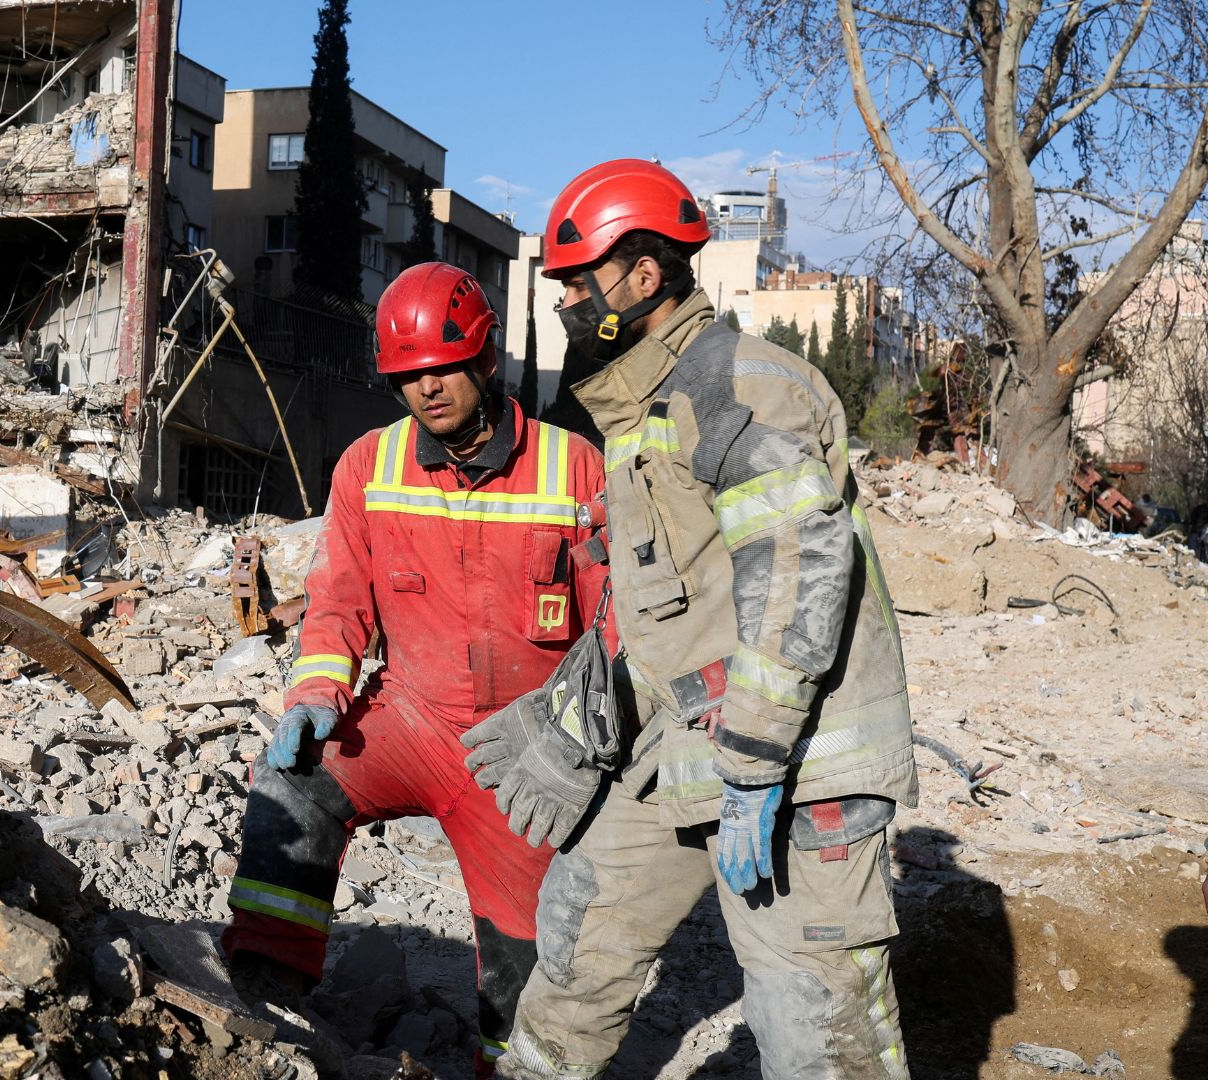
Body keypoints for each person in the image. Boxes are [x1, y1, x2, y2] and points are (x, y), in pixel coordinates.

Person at [488, 160, 918, 1079]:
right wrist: (589, 709)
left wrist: (757, 764)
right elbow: (679, 596)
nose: (565, 298)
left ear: (645, 275)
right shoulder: (647, 404)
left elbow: (801, 568)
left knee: (818, 1036)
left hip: (794, 770)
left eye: (578, 277)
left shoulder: (738, 386)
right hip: (683, 750)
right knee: (576, 944)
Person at [221, 262, 609, 1076]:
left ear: (485, 359)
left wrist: (581, 750)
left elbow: (612, 628)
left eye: (442, 368)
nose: (427, 389)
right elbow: (336, 605)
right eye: (407, 376)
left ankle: (503, 1063)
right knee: (293, 783)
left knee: (525, 976)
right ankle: (266, 1000)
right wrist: (315, 693)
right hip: (410, 717)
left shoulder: (574, 469)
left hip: (521, 755)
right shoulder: (370, 467)